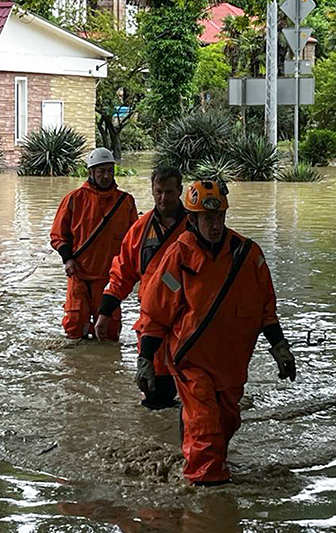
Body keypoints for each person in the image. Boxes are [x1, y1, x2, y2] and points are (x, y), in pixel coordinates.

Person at [136, 179, 296, 486]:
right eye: (208, 218)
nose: (216, 224)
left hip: (231, 365)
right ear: (193, 220)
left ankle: (196, 458)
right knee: (206, 429)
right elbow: (156, 314)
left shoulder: (248, 256)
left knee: (225, 424)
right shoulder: (178, 258)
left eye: (220, 216)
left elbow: (265, 309)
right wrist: (145, 359)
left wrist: (280, 349)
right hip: (191, 361)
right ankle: (208, 498)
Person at [94, 166, 189, 409]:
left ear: (180, 191)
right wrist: (105, 313)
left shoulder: (195, 226)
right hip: (152, 321)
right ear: (152, 191)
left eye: (169, 192)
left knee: (196, 392)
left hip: (189, 319)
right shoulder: (140, 229)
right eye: (158, 192)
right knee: (155, 395)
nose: (163, 198)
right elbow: (122, 273)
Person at [49, 147, 138, 340]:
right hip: (78, 274)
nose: (106, 176)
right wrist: (68, 259)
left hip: (109, 278)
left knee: (110, 333)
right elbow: (58, 235)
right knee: (74, 328)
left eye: (109, 171)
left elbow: (134, 241)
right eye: (101, 171)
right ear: (91, 172)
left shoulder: (126, 202)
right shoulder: (74, 199)